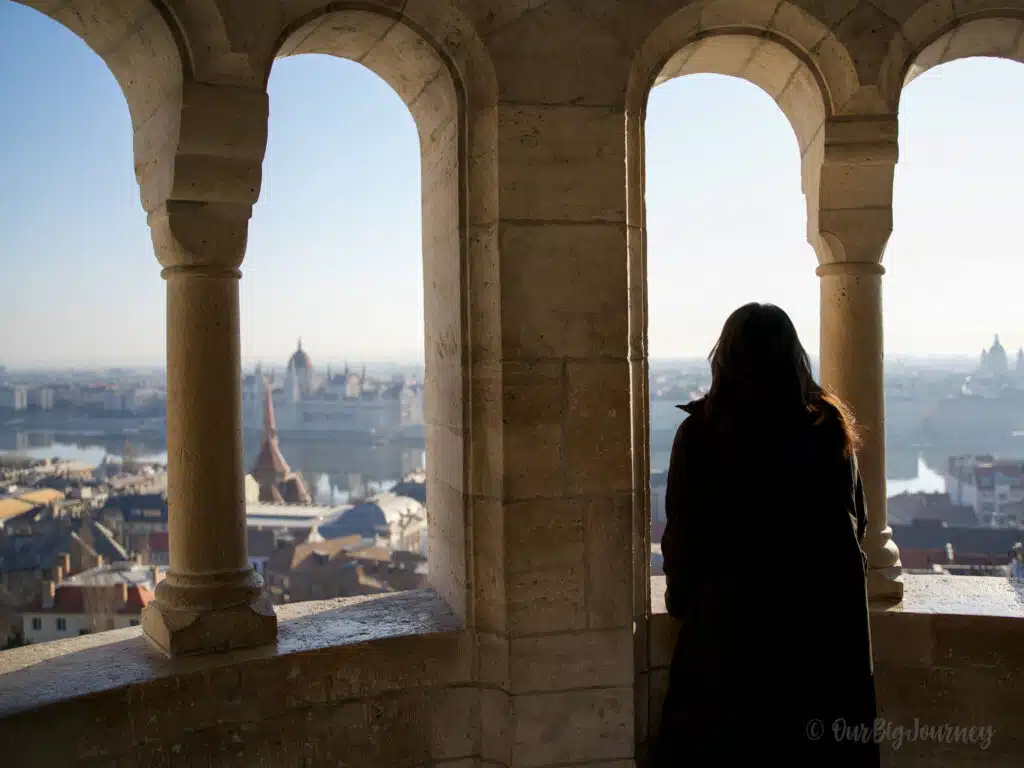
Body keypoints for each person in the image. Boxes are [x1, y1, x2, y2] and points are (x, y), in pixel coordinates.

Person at [651, 303, 880, 767]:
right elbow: (858, 522)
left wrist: (682, 602)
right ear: (795, 357)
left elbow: (683, 537)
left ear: (725, 357)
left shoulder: (701, 433)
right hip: (821, 640)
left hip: (729, 636)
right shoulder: (829, 429)